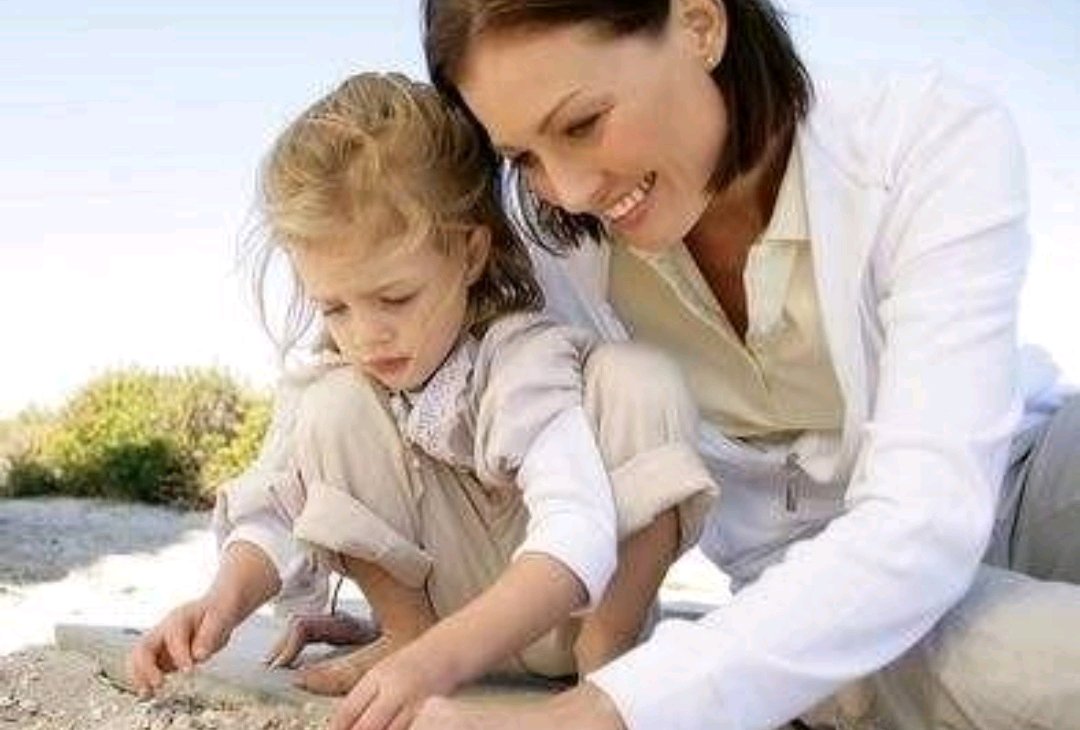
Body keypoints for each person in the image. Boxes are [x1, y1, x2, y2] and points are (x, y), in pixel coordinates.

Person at [407, 0, 1080, 729]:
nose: (569, 191)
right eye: (524, 158)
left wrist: (599, 715)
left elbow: (927, 513)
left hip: (1027, 482)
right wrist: (403, 617)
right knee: (1016, 662)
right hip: (831, 588)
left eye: (582, 123)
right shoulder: (556, 257)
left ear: (700, 25)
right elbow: (401, 355)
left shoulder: (924, 140)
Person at [125, 72, 717, 730]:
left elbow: (576, 532)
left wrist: (440, 661)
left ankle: (605, 662)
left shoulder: (519, 356)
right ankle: (404, 634)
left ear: (470, 252)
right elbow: (276, 507)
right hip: (436, 633)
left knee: (641, 380)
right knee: (330, 404)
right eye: (335, 307)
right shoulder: (344, 373)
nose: (366, 334)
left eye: (395, 298)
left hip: (570, 614)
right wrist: (221, 603)